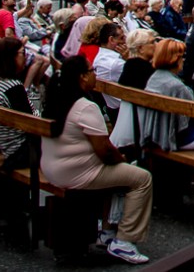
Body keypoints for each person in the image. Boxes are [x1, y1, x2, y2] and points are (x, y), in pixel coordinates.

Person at [42, 55, 154, 264]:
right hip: (77, 172)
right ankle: (125, 240)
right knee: (141, 178)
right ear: (83, 77)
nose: (95, 74)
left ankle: (108, 231)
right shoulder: (85, 106)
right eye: (92, 70)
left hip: (52, 166)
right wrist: (122, 160)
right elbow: (104, 151)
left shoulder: (57, 97)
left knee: (122, 173)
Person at [0, 36, 44, 170]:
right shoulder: (12, 88)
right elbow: (34, 123)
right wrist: (35, 100)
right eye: (22, 53)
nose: (26, 57)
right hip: (22, 151)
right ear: (10, 57)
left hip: (8, 146)